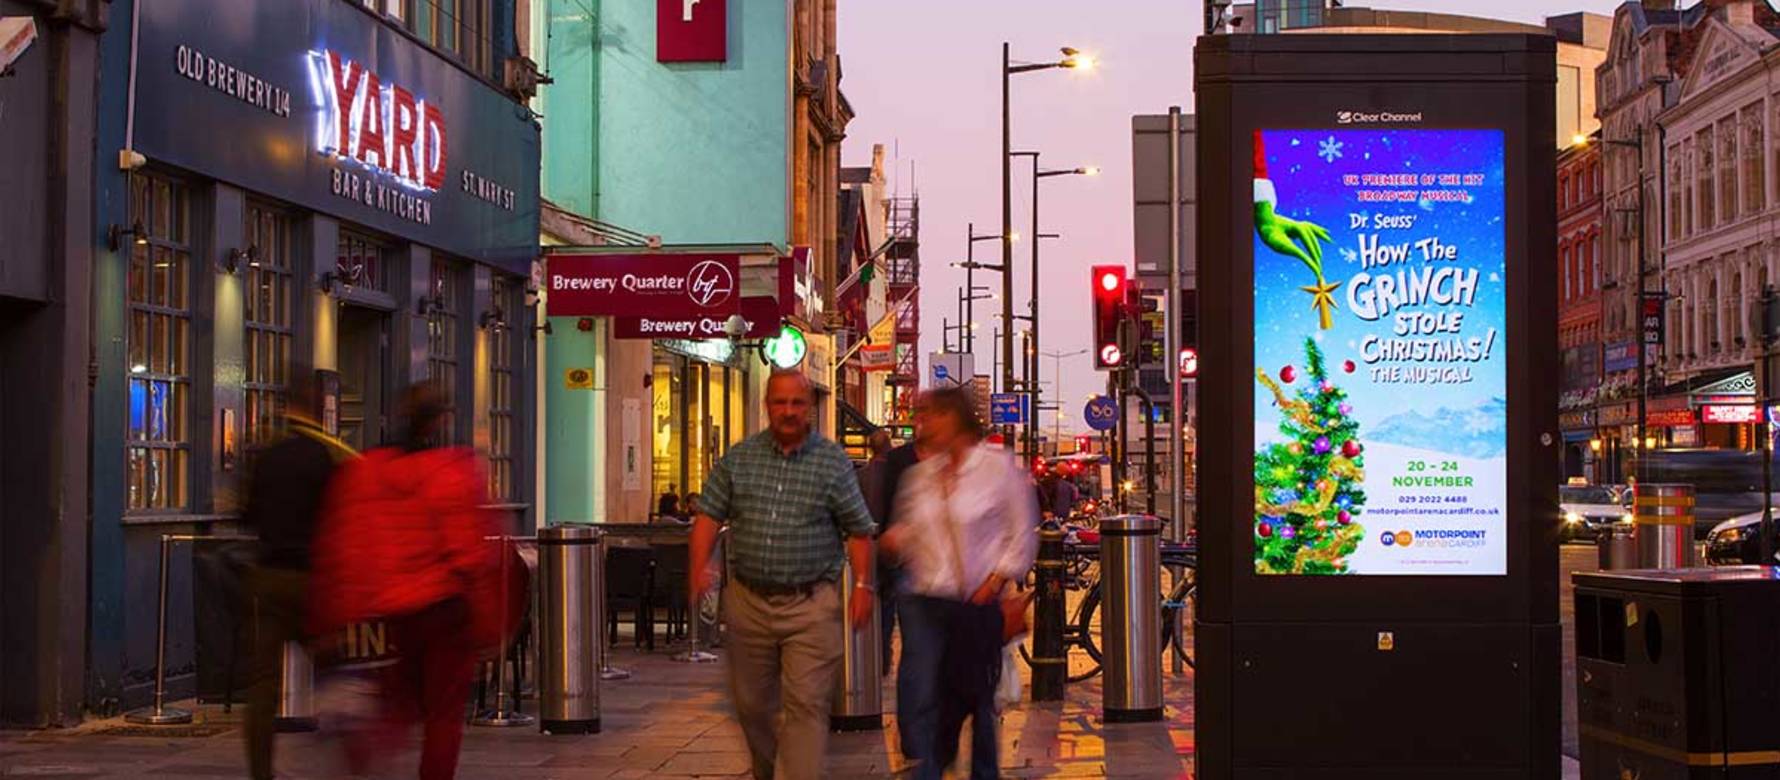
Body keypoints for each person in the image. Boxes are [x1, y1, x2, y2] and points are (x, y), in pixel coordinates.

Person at [689, 370, 876, 780]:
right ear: (767, 405)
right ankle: (769, 769)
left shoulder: (832, 462)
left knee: (806, 705)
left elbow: (859, 530)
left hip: (811, 604)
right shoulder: (740, 458)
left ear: (809, 407)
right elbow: (708, 515)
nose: (788, 412)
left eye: (796, 403)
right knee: (752, 705)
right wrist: (700, 565)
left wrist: (863, 585)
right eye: (780, 402)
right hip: (748, 602)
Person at [310, 384, 502, 780]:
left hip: (390, 611)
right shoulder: (452, 472)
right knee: (443, 715)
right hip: (445, 609)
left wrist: (336, 614)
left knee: (396, 704)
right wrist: (487, 620)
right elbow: (469, 553)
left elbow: (345, 546)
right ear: (440, 421)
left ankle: (363, 755)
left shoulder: (365, 472)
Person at [882, 387, 1038, 780]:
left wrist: (997, 579)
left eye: (931, 414)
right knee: (925, 689)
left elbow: (1021, 531)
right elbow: (912, 529)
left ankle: (982, 771)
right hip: (925, 597)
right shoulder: (920, 476)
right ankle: (929, 765)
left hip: (975, 600)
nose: (924, 422)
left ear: (955, 418)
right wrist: (896, 540)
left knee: (976, 694)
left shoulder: (996, 467)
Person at [240, 369, 355, 780]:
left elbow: (245, 514)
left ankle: (261, 772)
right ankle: (348, 760)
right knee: (335, 672)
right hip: (312, 581)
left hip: (269, 578)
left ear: (285, 406)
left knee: (263, 686)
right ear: (317, 406)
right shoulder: (327, 457)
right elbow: (341, 522)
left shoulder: (266, 456)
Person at [864, 429, 919, 675]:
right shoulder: (904, 474)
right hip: (899, 548)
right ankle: (906, 659)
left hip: (868, 547)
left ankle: (881, 658)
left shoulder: (860, 476)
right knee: (904, 609)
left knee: (882, 607)